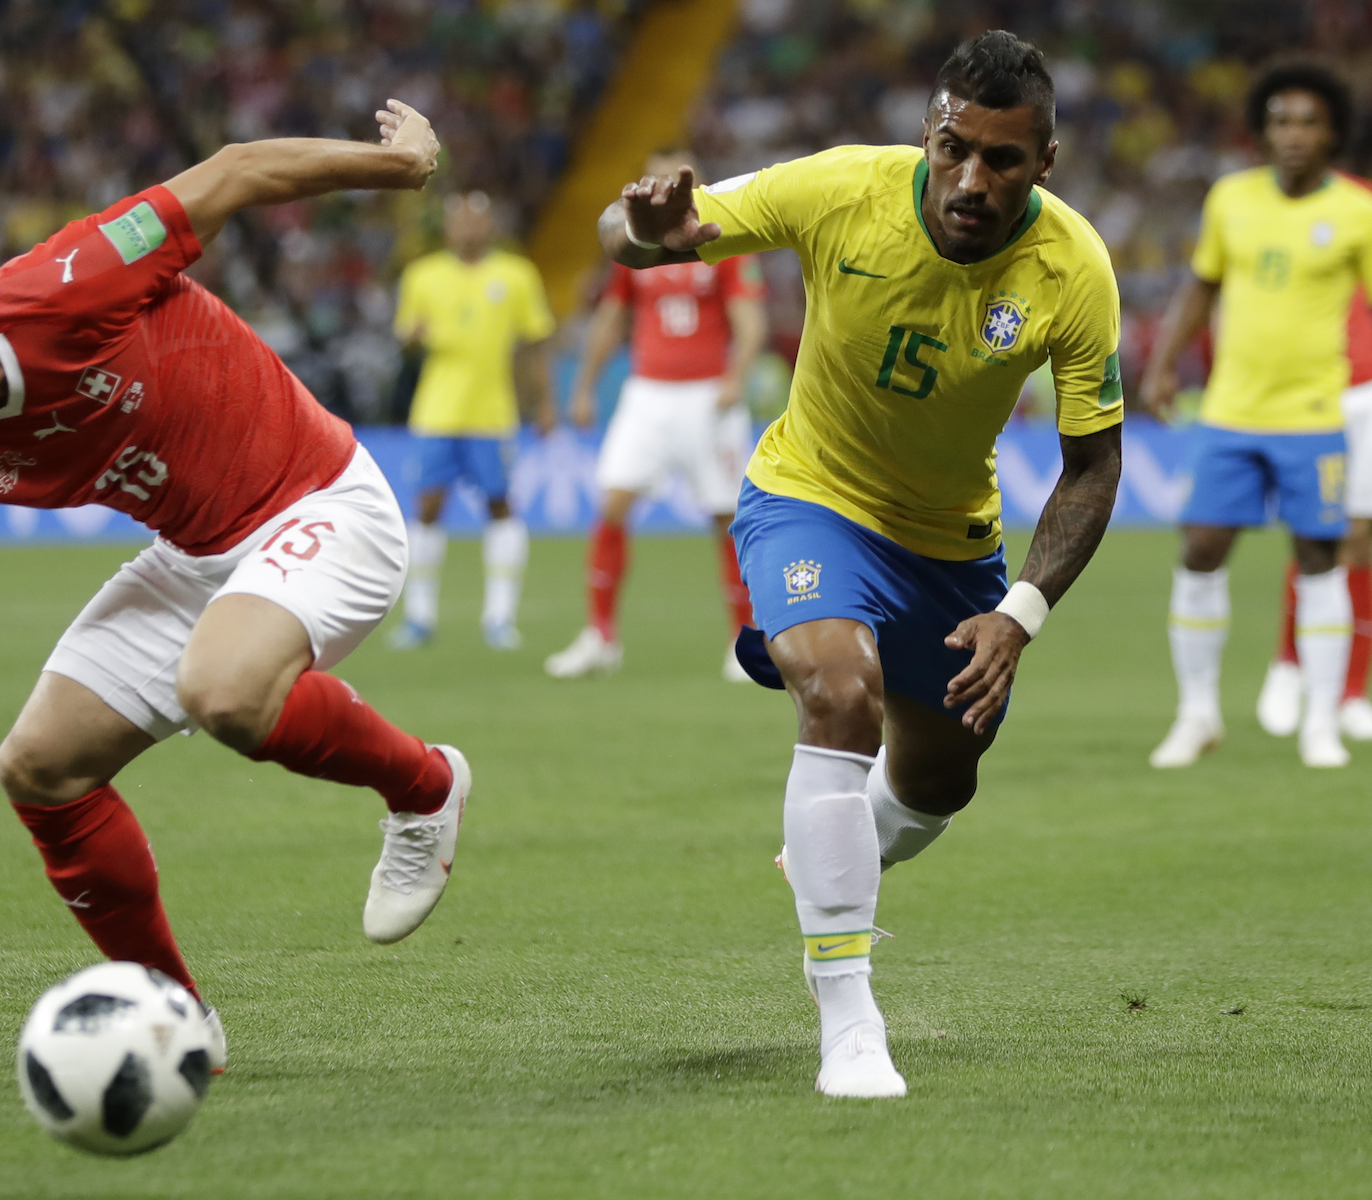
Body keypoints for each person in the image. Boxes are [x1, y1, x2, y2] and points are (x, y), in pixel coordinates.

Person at [0, 102, 472, 1068]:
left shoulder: (66, 282)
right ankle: (174, 1020)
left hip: (324, 503)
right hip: (197, 558)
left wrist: (401, 165)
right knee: (38, 769)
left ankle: (426, 787)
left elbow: (236, 168)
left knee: (224, 691)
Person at [600, 31, 1123, 1098]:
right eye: (952, 147)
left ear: (1046, 163)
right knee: (838, 693)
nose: (970, 179)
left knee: (940, 782)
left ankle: (841, 841)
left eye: (1003, 161)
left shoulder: (1074, 271)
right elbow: (640, 231)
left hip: (952, 544)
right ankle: (849, 1019)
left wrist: (1019, 613)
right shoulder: (842, 187)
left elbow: (1091, 466)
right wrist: (642, 232)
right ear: (929, 131)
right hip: (810, 497)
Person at [1142, 64, 1372, 770]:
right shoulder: (1231, 199)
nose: (1293, 135)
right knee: (1201, 549)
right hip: (1230, 413)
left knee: (1319, 562)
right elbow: (1202, 286)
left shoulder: (1359, 210)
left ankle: (1320, 725)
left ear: (1333, 132)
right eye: (1279, 122)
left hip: (1314, 415)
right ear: (1262, 131)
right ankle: (1198, 714)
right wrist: (1162, 363)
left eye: (1308, 122)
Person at [546, 148, 767, 682]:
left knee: (725, 518)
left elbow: (750, 318)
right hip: (647, 394)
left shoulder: (721, 241)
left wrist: (736, 374)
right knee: (614, 503)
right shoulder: (637, 246)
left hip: (708, 396)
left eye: (679, 177)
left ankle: (742, 641)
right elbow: (611, 317)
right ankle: (600, 636)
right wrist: (583, 388)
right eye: (660, 177)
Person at [390, 191, 556, 650]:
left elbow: (535, 342)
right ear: (447, 229)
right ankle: (420, 617)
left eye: (475, 220)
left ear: (491, 226)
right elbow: (404, 336)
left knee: (500, 506)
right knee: (427, 508)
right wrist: (411, 338)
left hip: (492, 414)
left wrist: (545, 403)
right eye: (459, 220)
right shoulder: (422, 275)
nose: (467, 228)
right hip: (436, 412)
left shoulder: (516, 275)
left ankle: (500, 617)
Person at [1256, 256, 1372, 742]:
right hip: (1315, 389)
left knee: (1363, 542)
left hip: (1369, 392)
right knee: (1316, 535)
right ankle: (1289, 664)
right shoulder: (1332, 203)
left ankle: (1350, 694)